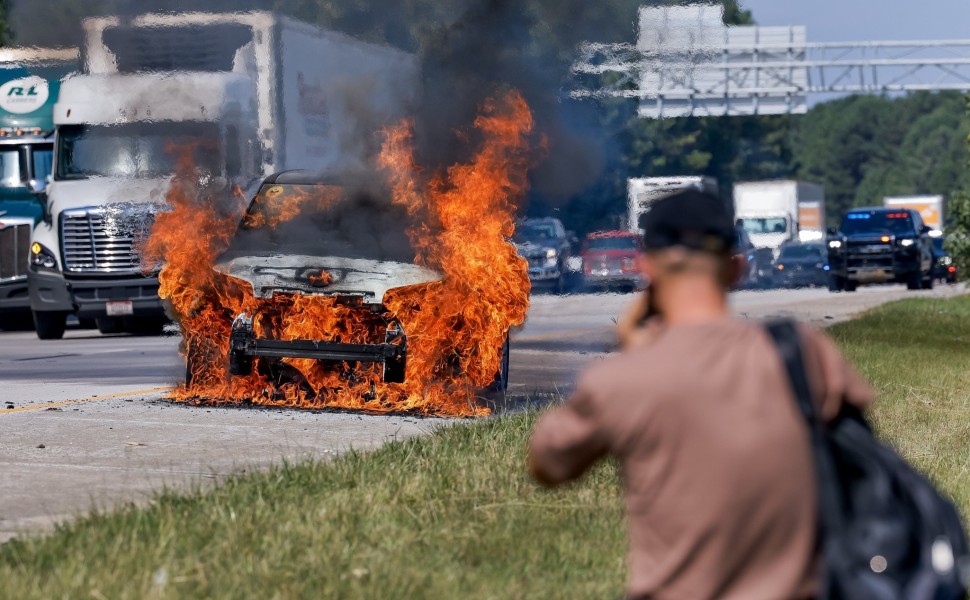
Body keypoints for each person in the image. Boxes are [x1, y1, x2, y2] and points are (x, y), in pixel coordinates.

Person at [528, 189, 874, 600]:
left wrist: (634, 357)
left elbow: (547, 463)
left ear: (645, 270)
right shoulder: (803, 354)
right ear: (737, 268)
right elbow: (862, 450)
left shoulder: (622, 380)